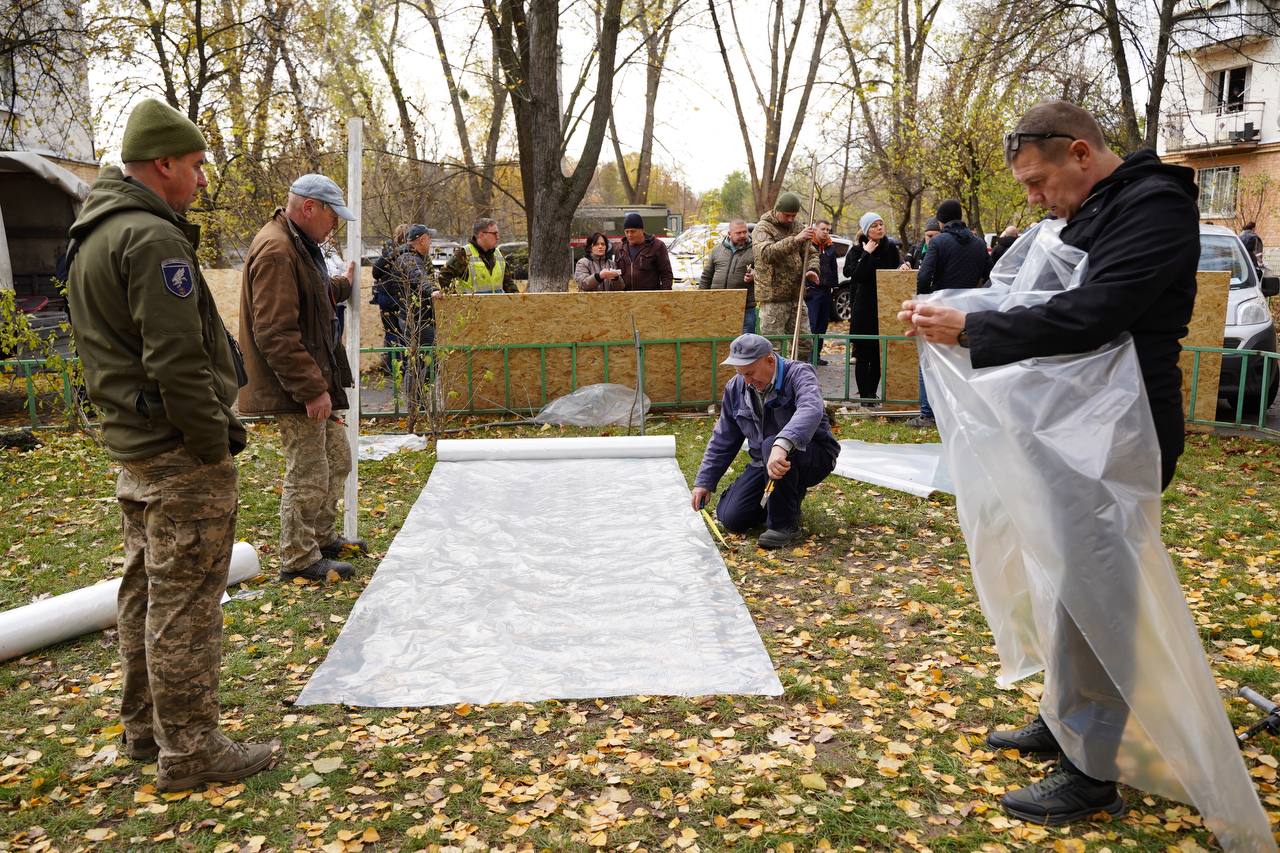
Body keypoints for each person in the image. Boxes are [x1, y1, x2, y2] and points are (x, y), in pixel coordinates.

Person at [899, 99, 1200, 825]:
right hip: (1076, 430)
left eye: (1038, 182)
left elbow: (1093, 311)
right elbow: (1037, 295)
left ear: (1079, 154)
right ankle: (1066, 717)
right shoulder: (1094, 209)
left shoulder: (1154, 209)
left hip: (1120, 436)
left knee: (1099, 591)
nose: (1034, 199)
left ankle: (1092, 771)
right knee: (1063, 582)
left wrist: (973, 326)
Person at [64, 98, 278, 792]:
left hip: (136, 445)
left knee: (145, 590)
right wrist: (213, 443)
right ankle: (190, 750)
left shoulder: (94, 231)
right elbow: (178, 361)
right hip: (178, 451)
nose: (202, 179)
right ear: (162, 164)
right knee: (185, 600)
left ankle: (147, 726)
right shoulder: (152, 240)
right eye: (195, 165)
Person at [238, 174, 367, 583]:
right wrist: (311, 389)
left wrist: (344, 284)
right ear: (310, 207)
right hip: (295, 387)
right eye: (333, 216)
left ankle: (322, 538)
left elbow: (313, 294)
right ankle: (297, 558)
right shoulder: (277, 249)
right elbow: (274, 332)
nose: (336, 226)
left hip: (311, 380)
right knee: (309, 470)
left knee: (336, 460)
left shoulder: (298, 244)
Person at [690, 333, 840, 549]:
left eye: (750, 373)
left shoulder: (799, 373)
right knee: (732, 518)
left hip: (812, 455)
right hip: (764, 462)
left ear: (770, 360)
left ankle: (783, 526)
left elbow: (811, 408)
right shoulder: (736, 388)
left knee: (772, 444)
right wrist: (704, 481)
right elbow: (724, 437)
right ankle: (781, 500)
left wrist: (783, 443)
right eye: (741, 374)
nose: (747, 381)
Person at [909, 200, 992, 428]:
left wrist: (924, 299)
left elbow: (924, 277)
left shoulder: (939, 243)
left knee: (929, 360)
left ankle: (928, 414)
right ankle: (962, 412)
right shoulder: (978, 244)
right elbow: (991, 274)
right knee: (963, 361)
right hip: (967, 310)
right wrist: (976, 295)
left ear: (940, 221)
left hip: (941, 307)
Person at [752, 193, 819, 361]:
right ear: (777, 210)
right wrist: (795, 240)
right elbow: (766, 254)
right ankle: (774, 382)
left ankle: (797, 376)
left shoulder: (798, 227)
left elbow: (811, 253)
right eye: (787, 215)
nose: (790, 219)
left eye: (794, 215)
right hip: (773, 298)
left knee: (804, 342)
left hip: (796, 296)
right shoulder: (763, 228)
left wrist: (812, 269)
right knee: (773, 347)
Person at [843, 212, 900, 404]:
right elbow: (856, 275)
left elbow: (894, 271)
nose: (879, 228)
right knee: (863, 355)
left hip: (884, 308)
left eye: (881, 224)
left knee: (877, 355)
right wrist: (866, 253)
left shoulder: (890, 248)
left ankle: (872, 394)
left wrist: (903, 267)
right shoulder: (858, 250)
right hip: (863, 308)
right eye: (874, 225)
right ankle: (864, 396)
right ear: (867, 230)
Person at [698, 218, 756, 334]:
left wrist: (755, 275)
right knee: (717, 338)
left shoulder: (755, 250)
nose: (743, 235)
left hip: (745, 307)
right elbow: (706, 277)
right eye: (738, 233)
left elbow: (766, 274)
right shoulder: (717, 251)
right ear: (729, 234)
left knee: (746, 342)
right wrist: (701, 300)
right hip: (717, 305)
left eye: (745, 232)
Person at [439, 218, 519, 294]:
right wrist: (457, 300)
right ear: (481, 235)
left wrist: (519, 300)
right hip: (471, 307)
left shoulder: (498, 254)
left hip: (496, 307)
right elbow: (444, 276)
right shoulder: (464, 254)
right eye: (494, 233)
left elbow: (508, 283)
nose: (498, 237)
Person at [371, 223, 411, 374]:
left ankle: (394, 366)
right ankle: (405, 366)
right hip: (400, 296)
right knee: (405, 332)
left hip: (385, 296)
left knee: (391, 332)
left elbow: (377, 272)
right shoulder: (409, 252)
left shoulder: (387, 251)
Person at [615, 211, 674, 290]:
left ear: (642, 230)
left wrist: (663, 296)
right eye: (627, 232)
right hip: (627, 298)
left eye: (633, 231)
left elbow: (666, 274)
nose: (629, 235)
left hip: (650, 298)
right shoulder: (620, 249)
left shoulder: (657, 246)